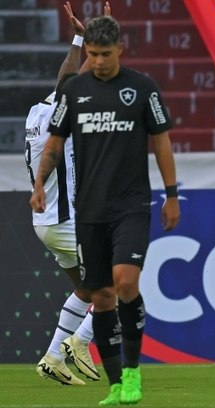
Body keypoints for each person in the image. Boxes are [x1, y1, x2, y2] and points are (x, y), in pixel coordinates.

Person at [30, 15, 180, 405]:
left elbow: (160, 142)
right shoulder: (71, 97)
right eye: (92, 55)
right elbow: (59, 128)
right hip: (80, 212)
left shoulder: (138, 89)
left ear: (119, 51)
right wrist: (37, 185)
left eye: (104, 54)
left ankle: (113, 368)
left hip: (108, 208)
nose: (96, 62)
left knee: (114, 285)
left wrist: (171, 193)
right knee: (102, 292)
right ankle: (96, 367)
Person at [29, 1, 104, 386]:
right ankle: (79, 342)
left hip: (47, 222)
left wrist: (78, 37)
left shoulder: (35, 113)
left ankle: (52, 357)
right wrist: (96, 40)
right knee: (119, 281)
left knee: (86, 288)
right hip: (63, 219)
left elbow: (66, 79)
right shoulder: (61, 114)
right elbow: (70, 83)